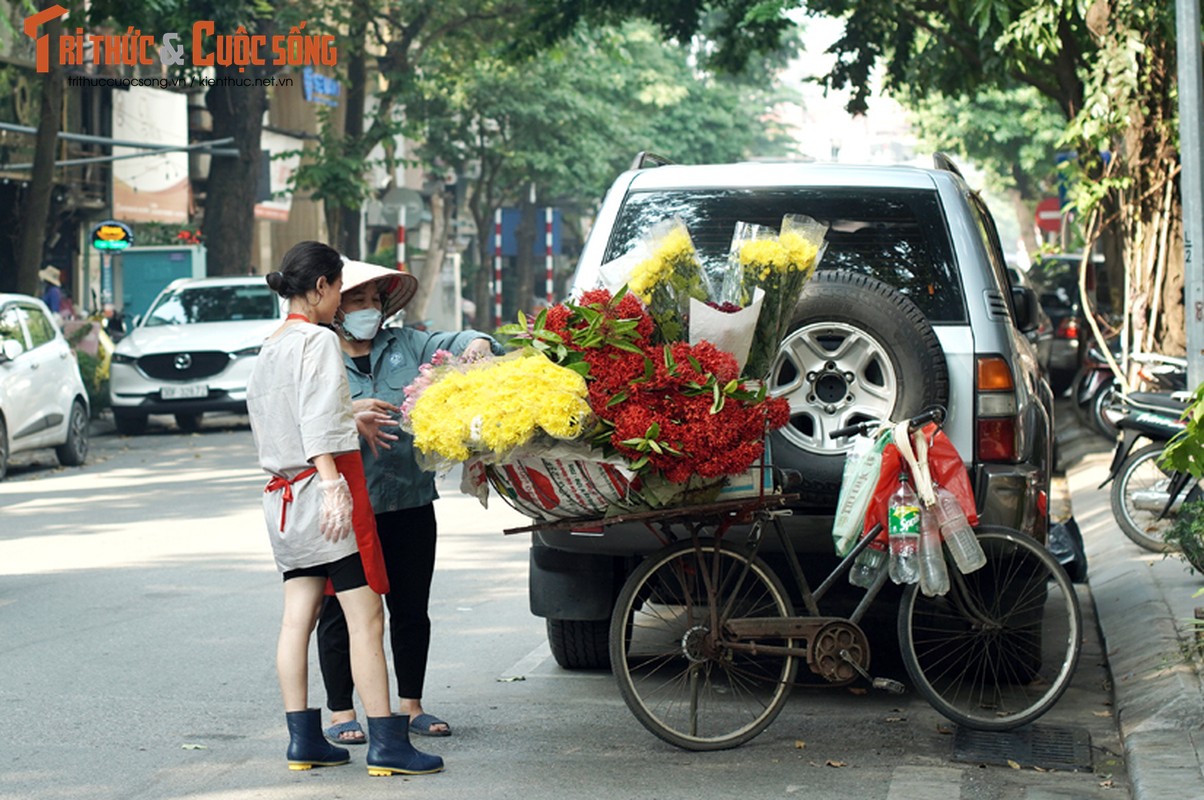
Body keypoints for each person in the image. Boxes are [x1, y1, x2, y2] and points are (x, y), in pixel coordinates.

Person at [245, 241, 443, 776]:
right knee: (365, 617)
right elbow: (318, 423)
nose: (340, 306)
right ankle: (388, 745)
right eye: (337, 290)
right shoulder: (317, 341)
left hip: (282, 500)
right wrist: (333, 483)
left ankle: (303, 742)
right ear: (320, 288)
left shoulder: (269, 347)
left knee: (296, 620)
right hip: (323, 493)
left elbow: (275, 425)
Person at [316, 259, 502, 745]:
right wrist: (348, 414)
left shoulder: (407, 346)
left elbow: (459, 342)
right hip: (349, 507)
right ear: (336, 308)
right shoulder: (319, 356)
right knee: (341, 613)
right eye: (356, 301)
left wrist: (477, 345)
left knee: (411, 607)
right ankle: (340, 711)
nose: (367, 310)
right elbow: (300, 421)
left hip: (410, 501)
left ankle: (411, 704)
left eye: (374, 301)